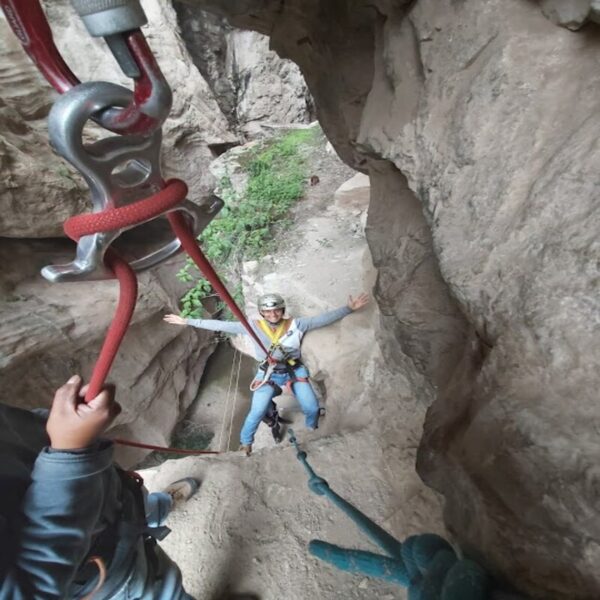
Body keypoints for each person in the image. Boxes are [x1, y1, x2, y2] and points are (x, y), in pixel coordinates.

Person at [0, 375, 198, 599]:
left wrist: (63, 432)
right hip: (104, 566)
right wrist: (69, 451)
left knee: (137, 504)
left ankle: (156, 510)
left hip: (106, 495)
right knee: (165, 591)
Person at [164, 292, 369, 455]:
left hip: (292, 370)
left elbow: (322, 320)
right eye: (268, 312)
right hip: (268, 373)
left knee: (312, 407)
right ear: (262, 313)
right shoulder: (252, 327)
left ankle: (312, 428)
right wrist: (188, 321)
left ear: (282, 310)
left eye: (277, 311)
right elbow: (219, 324)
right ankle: (246, 444)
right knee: (256, 410)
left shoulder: (297, 325)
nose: (273, 315)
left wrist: (348, 309)